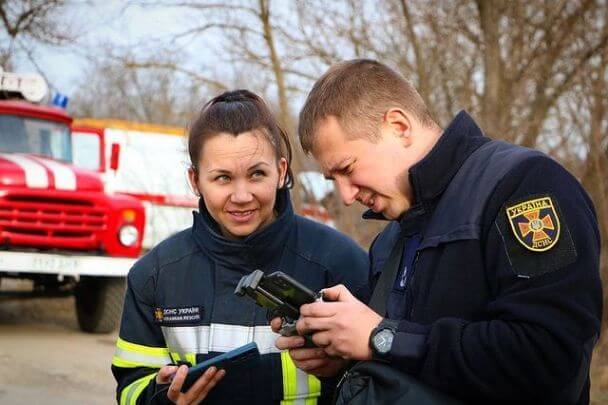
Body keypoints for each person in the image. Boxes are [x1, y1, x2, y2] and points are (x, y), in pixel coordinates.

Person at [275, 59, 602, 404]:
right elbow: (406, 372)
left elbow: (550, 358)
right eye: (333, 180)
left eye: (348, 168)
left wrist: (381, 338)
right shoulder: (390, 241)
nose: (346, 195)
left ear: (398, 126)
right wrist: (342, 359)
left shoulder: (523, 186)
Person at [111, 90, 371, 405]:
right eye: (222, 178)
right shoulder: (154, 275)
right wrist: (160, 398)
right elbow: (130, 388)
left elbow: (382, 379)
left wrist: (338, 369)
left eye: (257, 174)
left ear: (282, 171)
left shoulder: (341, 262)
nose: (241, 195)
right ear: (195, 181)